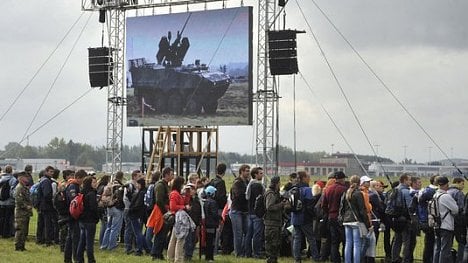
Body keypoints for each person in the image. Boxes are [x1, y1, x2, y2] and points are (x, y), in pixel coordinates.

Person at [291, 171, 320, 263]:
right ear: (304, 178)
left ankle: (297, 259)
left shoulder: (293, 189)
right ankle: (315, 257)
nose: (309, 179)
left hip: (295, 218)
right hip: (305, 218)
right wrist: (314, 215)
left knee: (297, 238)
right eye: (308, 177)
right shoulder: (307, 190)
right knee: (311, 239)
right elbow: (310, 206)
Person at [341, 175, 371, 263]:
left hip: (346, 220)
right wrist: (367, 224)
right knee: (357, 244)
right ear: (359, 183)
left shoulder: (346, 192)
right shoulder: (358, 194)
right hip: (355, 221)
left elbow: (341, 208)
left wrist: (342, 218)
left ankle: (347, 261)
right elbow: (362, 210)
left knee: (348, 243)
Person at [322, 171, 348, 263]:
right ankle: (346, 258)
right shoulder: (344, 189)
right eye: (344, 179)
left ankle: (335, 259)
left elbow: (323, 205)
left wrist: (328, 212)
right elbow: (346, 205)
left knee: (334, 241)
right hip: (341, 218)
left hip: (331, 217)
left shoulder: (328, 189)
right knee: (345, 240)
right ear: (341, 179)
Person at [433, 176, 458, 263]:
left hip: (436, 225)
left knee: (437, 249)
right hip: (446, 225)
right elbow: (456, 209)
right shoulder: (446, 196)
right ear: (446, 184)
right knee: (445, 251)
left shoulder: (435, 195)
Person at [150, 167, 174, 260]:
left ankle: (158, 253)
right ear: (167, 175)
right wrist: (166, 212)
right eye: (171, 174)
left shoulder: (166, 185)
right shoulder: (160, 185)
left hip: (163, 211)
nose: (172, 176)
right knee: (160, 233)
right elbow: (159, 200)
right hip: (161, 211)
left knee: (163, 234)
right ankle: (155, 254)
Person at [264, 176, 289, 263]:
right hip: (271, 223)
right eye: (279, 183)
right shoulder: (270, 194)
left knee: (276, 244)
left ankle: (273, 260)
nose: (280, 184)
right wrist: (281, 204)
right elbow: (269, 207)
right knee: (271, 244)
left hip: (276, 222)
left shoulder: (275, 193)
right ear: (276, 183)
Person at [64, 169, 87, 263]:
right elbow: (74, 201)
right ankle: (76, 258)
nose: (84, 181)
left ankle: (67, 259)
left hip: (72, 216)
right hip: (73, 216)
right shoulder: (73, 186)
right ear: (78, 178)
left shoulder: (75, 185)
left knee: (70, 238)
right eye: (83, 179)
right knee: (75, 238)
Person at [167, 176, 191, 263]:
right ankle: (178, 259)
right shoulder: (174, 194)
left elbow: (183, 202)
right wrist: (184, 207)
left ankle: (170, 257)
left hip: (178, 218)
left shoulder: (177, 193)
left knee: (174, 238)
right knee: (180, 240)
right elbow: (172, 206)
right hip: (178, 218)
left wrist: (187, 195)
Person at [100, 171, 125, 251]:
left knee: (108, 227)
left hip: (109, 207)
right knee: (115, 228)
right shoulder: (119, 186)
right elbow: (120, 198)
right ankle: (112, 245)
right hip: (117, 208)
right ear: (121, 177)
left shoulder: (110, 184)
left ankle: (104, 245)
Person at [76, 176, 99, 263]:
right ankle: (91, 259)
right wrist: (97, 217)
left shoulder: (83, 193)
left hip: (82, 220)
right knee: (89, 242)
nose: (95, 184)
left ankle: (79, 259)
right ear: (89, 184)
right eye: (93, 182)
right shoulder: (91, 194)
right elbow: (93, 208)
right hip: (90, 220)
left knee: (82, 241)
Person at [390, 173, 412, 263]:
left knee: (397, 240)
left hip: (395, 218)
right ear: (404, 180)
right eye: (409, 180)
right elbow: (410, 206)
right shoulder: (406, 191)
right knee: (406, 241)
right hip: (405, 219)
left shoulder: (394, 190)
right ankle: (405, 259)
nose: (410, 182)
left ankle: (394, 258)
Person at [229, 164, 250, 257]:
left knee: (247, 231)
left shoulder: (248, 182)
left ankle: (245, 251)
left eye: (249, 170)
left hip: (245, 210)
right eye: (246, 170)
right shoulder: (237, 182)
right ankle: (238, 253)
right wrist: (247, 196)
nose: (248, 172)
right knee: (238, 233)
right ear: (241, 171)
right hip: (236, 210)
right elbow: (238, 195)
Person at [245, 167, 265, 258]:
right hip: (256, 213)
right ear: (255, 174)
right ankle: (257, 253)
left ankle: (247, 253)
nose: (262, 175)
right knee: (257, 234)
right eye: (260, 173)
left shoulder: (250, 184)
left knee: (249, 234)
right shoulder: (257, 185)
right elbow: (259, 200)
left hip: (250, 212)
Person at [417, 175, 437, 263]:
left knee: (428, 242)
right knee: (431, 243)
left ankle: (427, 259)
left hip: (424, 219)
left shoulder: (424, 190)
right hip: (430, 220)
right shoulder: (432, 191)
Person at [446, 177, 465, 263]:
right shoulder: (459, 193)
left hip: (447, 221)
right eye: (462, 183)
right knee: (461, 243)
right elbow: (461, 208)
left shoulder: (447, 192)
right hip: (458, 222)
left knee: (448, 244)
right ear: (457, 183)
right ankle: (459, 260)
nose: (463, 186)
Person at [128, 177, 148, 256]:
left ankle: (139, 249)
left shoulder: (141, 193)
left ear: (140, 184)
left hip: (136, 214)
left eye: (137, 184)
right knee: (139, 233)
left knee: (138, 233)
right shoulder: (142, 192)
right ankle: (147, 248)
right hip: (139, 214)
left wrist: (131, 209)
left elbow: (138, 204)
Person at [14, 172, 32, 251]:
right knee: (20, 229)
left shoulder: (24, 187)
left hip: (25, 212)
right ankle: (18, 246)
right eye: (25, 177)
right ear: (21, 178)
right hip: (21, 212)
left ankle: (22, 245)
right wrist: (26, 206)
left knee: (24, 230)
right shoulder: (19, 187)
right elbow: (19, 200)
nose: (27, 179)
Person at [184, 182, 202, 261]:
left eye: (191, 189)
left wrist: (198, 223)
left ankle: (189, 255)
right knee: (188, 240)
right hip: (187, 223)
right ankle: (187, 255)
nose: (190, 191)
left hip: (195, 222)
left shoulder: (197, 200)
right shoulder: (185, 200)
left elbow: (199, 212)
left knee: (194, 239)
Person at [38, 166, 55, 246]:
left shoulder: (42, 180)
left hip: (41, 205)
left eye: (53, 172)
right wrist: (52, 202)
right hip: (46, 205)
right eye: (50, 172)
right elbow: (47, 195)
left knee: (41, 223)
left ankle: (39, 239)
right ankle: (47, 240)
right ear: (46, 172)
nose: (52, 173)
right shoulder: (47, 181)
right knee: (47, 223)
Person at [0, 165, 18, 238]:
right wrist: (14, 199)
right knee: (9, 218)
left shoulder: (1, 178)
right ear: (11, 171)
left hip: (1, 201)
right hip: (9, 202)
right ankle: (7, 233)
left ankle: (1, 232)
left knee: (2, 218)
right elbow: (12, 192)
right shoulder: (13, 179)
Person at [204, 185, 220, 262]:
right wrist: (219, 219)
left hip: (207, 223)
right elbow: (214, 214)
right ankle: (210, 257)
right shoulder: (213, 202)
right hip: (212, 224)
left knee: (208, 240)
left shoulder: (206, 202)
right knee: (212, 240)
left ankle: (207, 256)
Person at [96, 174, 111, 247]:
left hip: (98, 207)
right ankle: (102, 241)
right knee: (105, 225)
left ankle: (101, 240)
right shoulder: (104, 188)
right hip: (103, 207)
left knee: (103, 224)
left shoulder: (99, 187)